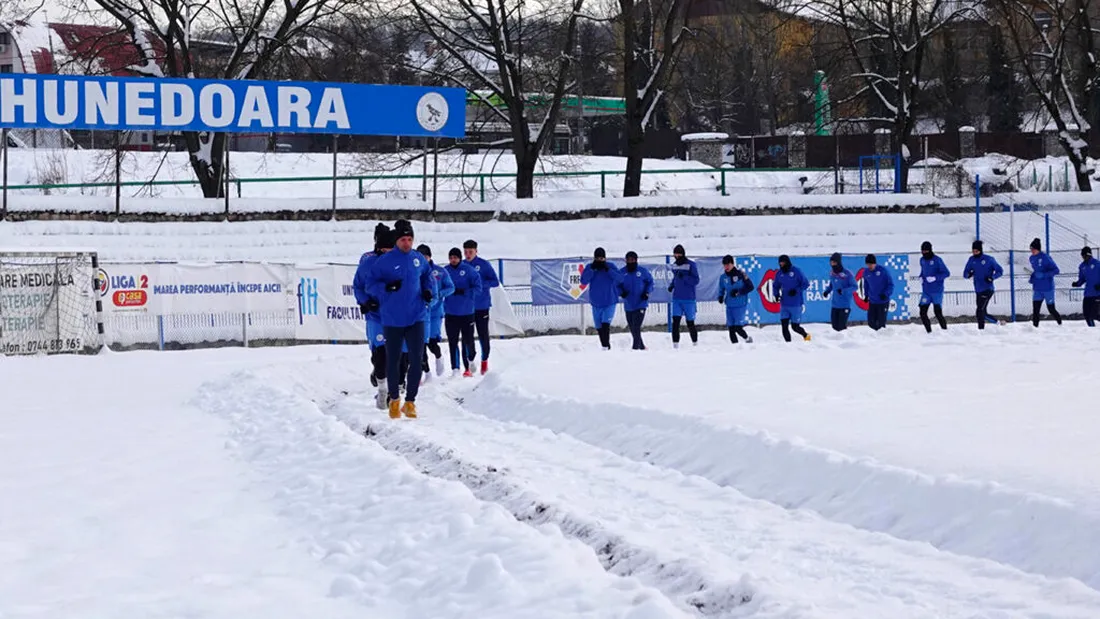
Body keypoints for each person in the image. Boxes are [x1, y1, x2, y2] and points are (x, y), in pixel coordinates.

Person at [363, 219, 434, 419]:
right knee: (392, 361)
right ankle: (394, 400)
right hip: (392, 319)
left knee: (416, 359)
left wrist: (428, 290)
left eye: (410, 239)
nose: (406, 243)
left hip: (416, 316)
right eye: (403, 239)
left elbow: (428, 276)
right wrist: (385, 288)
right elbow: (370, 284)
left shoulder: (418, 259)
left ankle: (410, 402)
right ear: (397, 241)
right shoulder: (384, 261)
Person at [352, 223, 393, 410]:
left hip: (396, 316)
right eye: (383, 247)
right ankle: (380, 377)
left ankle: (394, 385)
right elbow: (359, 285)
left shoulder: (401, 260)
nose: (386, 251)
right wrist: (366, 302)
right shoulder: (367, 260)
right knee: (378, 352)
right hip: (375, 316)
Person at [416, 244, 455, 381]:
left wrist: (439, 294)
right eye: (420, 257)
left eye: (425, 256)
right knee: (421, 345)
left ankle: (438, 356)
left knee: (432, 343)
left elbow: (451, 287)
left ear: (430, 257)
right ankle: (426, 372)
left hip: (435, 313)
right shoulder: (415, 271)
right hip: (420, 313)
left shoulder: (440, 271)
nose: (423, 259)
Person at [443, 247, 483, 376]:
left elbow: (478, 288)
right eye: (451, 258)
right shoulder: (445, 271)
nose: (453, 260)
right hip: (450, 313)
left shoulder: (469, 271)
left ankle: (470, 360)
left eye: (455, 257)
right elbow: (440, 287)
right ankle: (455, 368)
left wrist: (465, 292)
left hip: (466, 313)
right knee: (452, 341)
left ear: (460, 258)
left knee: (468, 341)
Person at [463, 240, 500, 374]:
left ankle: (484, 361)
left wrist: (480, 284)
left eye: (470, 252)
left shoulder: (484, 265)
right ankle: (468, 364)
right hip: (466, 308)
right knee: (467, 336)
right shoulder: (461, 265)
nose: (468, 254)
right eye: (465, 252)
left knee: (483, 334)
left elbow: (495, 282)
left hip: (482, 306)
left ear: (476, 251)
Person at [580, 247, 622, 350]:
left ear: (605, 258)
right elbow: (583, 281)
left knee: (605, 324)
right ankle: (605, 346)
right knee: (599, 327)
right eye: (597, 258)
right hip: (596, 303)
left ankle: (605, 347)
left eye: (602, 258)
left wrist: (608, 270)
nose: (600, 260)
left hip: (609, 301)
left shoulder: (610, 266)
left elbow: (620, 278)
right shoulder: (590, 267)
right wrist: (592, 270)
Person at [963, 239, 1004, 330]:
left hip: (988, 289)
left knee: (979, 311)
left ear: (980, 250)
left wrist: (992, 277)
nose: (974, 253)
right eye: (973, 251)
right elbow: (965, 273)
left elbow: (1000, 271)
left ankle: (981, 330)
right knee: (983, 312)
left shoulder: (989, 259)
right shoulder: (971, 259)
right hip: (978, 289)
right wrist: (968, 274)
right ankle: (998, 323)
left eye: (976, 251)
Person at [617, 251, 653, 350]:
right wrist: (621, 292)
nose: (630, 262)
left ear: (636, 260)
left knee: (636, 327)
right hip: (628, 305)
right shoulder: (622, 272)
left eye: (632, 260)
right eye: (628, 260)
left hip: (641, 303)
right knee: (633, 328)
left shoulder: (642, 271)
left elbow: (650, 283)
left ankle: (635, 349)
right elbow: (616, 285)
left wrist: (647, 292)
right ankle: (641, 347)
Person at [667, 244, 700, 348]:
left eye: (678, 253)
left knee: (690, 322)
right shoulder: (674, 265)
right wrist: (672, 285)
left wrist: (685, 277)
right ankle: (675, 345)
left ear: (683, 254)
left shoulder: (691, 265)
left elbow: (696, 280)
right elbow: (676, 277)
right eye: (675, 254)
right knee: (675, 322)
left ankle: (695, 343)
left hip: (689, 299)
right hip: (677, 298)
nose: (677, 256)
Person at [773, 254, 811, 342]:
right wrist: (776, 295)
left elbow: (806, 284)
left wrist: (796, 290)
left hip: (796, 304)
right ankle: (788, 345)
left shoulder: (796, 271)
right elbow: (775, 286)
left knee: (795, 327)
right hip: (784, 304)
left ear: (787, 262)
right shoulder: (779, 273)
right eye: (780, 263)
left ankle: (806, 335)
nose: (781, 264)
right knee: (784, 326)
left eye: (782, 262)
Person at [717, 255, 754, 344]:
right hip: (729, 305)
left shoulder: (741, 274)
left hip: (740, 305)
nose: (726, 267)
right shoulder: (723, 277)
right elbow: (721, 288)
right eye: (724, 265)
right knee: (731, 329)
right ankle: (735, 348)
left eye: (728, 264)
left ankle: (748, 339)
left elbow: (750, 287)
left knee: (738, 327)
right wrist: (720, 296)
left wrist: (738, 292)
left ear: (732, 264)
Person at [1028, 238, 1063, 327]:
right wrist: (1033, 277)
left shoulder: (1045, 258)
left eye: (1033, 249)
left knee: (1051, 309)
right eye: (1030, 249)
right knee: (1035, 309)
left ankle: (1060, 323)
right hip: (1037, 288)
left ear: (1038, 249)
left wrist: (1044, 275)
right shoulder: (1031, 258)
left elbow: (1056, 270)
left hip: (1048, 288)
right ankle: (1035, 327)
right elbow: (1036, 270)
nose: (1031, 251)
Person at [917, 241, 951, 333]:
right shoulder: (922, 260)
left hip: (937, 291)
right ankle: (929, 332)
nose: (924, 253)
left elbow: (946, 273)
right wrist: (920, 277)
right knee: (922, 312)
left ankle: (945, 331)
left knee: (938, 313)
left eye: (926, 251)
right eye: (922, 251)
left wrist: (935, 278)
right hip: (926, 292)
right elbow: (923, 272)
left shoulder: (937, 260)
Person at [822, 252, 856, 331]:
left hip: (844, 305)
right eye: (831, 262)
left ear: (838, 262)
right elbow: (832, 284)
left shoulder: (847, 274)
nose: (832, 264)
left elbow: (854, 286)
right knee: (834, 327)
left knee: (841, 328)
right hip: (835, 305)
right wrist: (827, 291)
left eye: (834, 262)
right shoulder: (832, 273)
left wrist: (844, 291)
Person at [862, 254, 894, 331]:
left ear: (875, 263)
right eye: (868, 264)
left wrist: (886, 294)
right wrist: (866, 295)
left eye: (871, 264)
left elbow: (891, 285)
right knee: (871, 323)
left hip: (883, 302)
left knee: (881, 324)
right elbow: (866, 284)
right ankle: (873, 341)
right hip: (872, 301)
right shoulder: (866, 272)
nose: (869, 266)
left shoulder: (883, 271)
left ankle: (882, 341)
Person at [1071, 246, 1100, 327]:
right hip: (1088, 294)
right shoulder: (1082, 266)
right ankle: (1092, 330)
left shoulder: (1097, 264)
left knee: (1094, 315)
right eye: (1082, 256)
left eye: (1085, 256)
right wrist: (1077, 284)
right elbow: (1082, 279)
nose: (1084, 258)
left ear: (1089, 255)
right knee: (1086, 314)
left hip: (1097, 294)